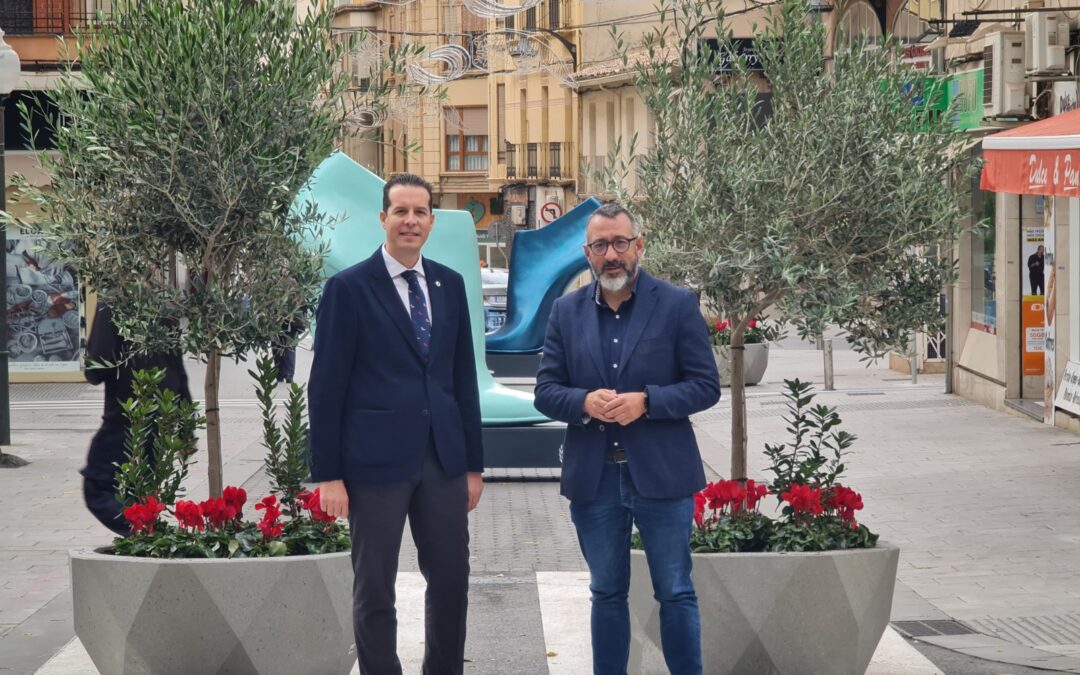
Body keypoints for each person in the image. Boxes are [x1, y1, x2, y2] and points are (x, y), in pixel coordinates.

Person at [533, 202, 720, 675]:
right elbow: (546, 391)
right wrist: (582, 403)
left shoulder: (677, 304)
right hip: (594, 478)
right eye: (600, 246)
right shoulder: (565, 311)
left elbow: (706, 385)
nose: (611, 254)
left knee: (675, 590)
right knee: (606, 592)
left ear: (638, 245)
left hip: (662, 474)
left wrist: (648, 402)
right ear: (587, 254)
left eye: (620, 243)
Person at [309, 173, 484, 675]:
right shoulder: (348, 288)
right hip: (373, 465)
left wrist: (473, 466)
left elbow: (462, 381)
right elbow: (326, 387)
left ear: (432, 220)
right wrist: (329, 475)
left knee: (451, 583)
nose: (411, 221)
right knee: (375, 589)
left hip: (444, 463)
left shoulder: (449, 285)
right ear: (383, 218)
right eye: (401, 212)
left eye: (420, 212)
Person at [82, 303, 191, 536]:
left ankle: (146, 535)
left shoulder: (113, 303)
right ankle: (145, 538)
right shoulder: (163, 303)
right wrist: (186, 425)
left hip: (127, 413)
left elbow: (96, 368)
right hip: (163, 412)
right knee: (139, 490)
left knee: (98, 487)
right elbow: (178, 367)